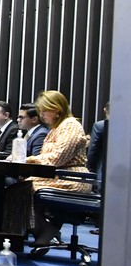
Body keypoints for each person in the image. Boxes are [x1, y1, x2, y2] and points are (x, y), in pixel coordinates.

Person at [21, 91, 92, 252]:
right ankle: (42, 230)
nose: (41, 114)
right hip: (59, 175)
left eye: (44, 111)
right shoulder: (56, 127)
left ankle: (45, 230)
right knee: (19, 188)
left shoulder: (70, 125)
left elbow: (57, 159)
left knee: (23, 189)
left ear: (57, 109)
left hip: (73, 178)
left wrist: (29, 159)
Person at [87, 102, 109, 183]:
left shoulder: (99, 126)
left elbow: (93, 150)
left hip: (102, 170)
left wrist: (89, 168)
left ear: (104, 110)